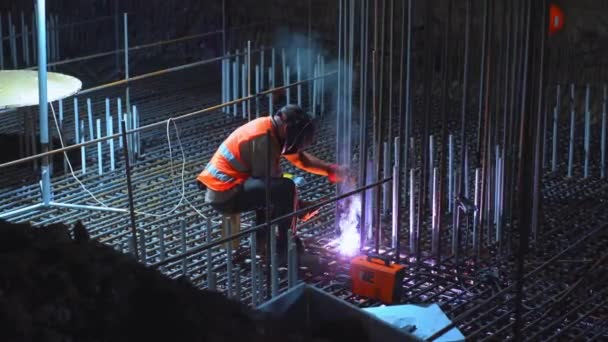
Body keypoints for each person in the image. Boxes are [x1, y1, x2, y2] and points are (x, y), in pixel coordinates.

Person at [196, 104, 348, 261]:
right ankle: (285, 250)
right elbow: (275, 190)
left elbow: (300, 158)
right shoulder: (264, 139)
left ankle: (262, 243)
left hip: (232, 187)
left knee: (274, 193)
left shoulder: (271, 129)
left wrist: (330, 170)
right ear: (289, 129)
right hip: (225, 195)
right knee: (285, 188)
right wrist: (299, 208)